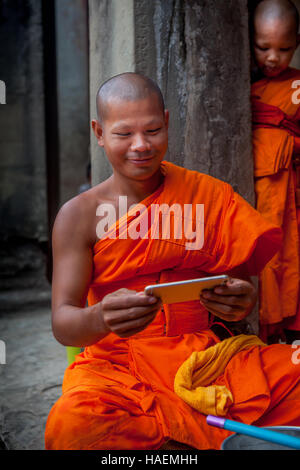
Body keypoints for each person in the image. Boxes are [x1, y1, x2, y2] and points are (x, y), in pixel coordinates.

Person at [45, 72, 300, 450]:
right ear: (99, 133)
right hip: (118, 366)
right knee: (73, 427)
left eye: (152, 131)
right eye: (123, 134)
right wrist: (98, 318)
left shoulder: (205, 195)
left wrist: (240, 301)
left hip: (208, 359)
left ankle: (178, 443)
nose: (140, 146)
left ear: (166, 123)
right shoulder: (79, 215)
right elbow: (64, 324)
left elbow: (238, 287)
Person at [251, 0, 300, 343]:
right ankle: (266, 330)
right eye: (263, 47)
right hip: (258, 191)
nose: (272, 57)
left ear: (297, 43)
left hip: (290, 190)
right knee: (265, 257)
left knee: (291, 256)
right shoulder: (241, 84)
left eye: (284, 49)